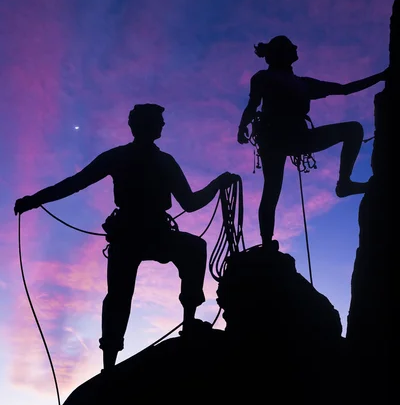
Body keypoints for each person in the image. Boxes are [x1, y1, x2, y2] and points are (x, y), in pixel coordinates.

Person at [14, 103, 238, 369]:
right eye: (159, 121)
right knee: (183, 255)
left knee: (124, 292)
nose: (163, 125)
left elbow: (75, 183)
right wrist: (36, 199)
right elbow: (189, 203)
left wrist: (35, 200)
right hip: (142, 233)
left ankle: (116, 359)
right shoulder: (155, 160)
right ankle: (177, 329)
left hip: (136, 233)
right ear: (146, 125)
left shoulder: (128, 158)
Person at [237, 35, 387, 249]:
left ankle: (344, 184)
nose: (296, 47)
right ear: (280, 53)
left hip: (282, 140)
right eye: (291, 47)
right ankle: (267, 242)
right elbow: (253, 105)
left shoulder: (297, 83)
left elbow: (344, 89)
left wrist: (381, 77)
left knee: (272, 189)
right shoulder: (284, 81)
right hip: (278, 140)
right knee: (271, 189)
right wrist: (242, 125)